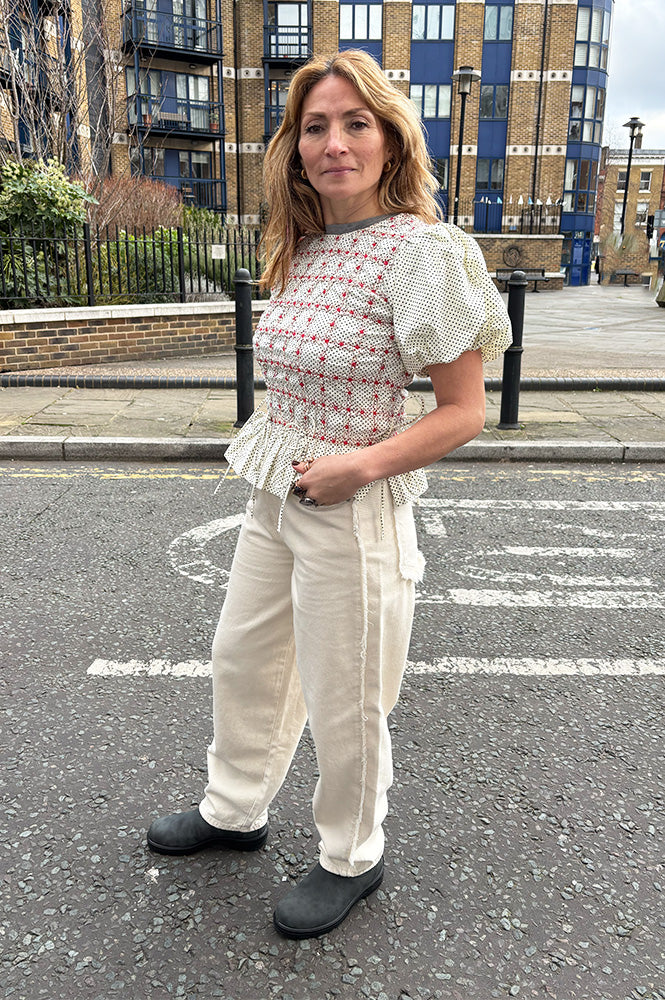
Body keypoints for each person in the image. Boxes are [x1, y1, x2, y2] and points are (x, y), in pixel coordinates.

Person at [147, 49, 511, 939]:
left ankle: (353, 853)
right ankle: (235, 809)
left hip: (355, 499)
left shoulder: (422, 251)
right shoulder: (305, 245)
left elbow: (464, 412)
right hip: (279, 489)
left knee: (348, 692)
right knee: (245, 657)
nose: (333, 142)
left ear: (390, 139)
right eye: (315, 125)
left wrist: (362, 465)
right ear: (294, 145)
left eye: (355, 123)